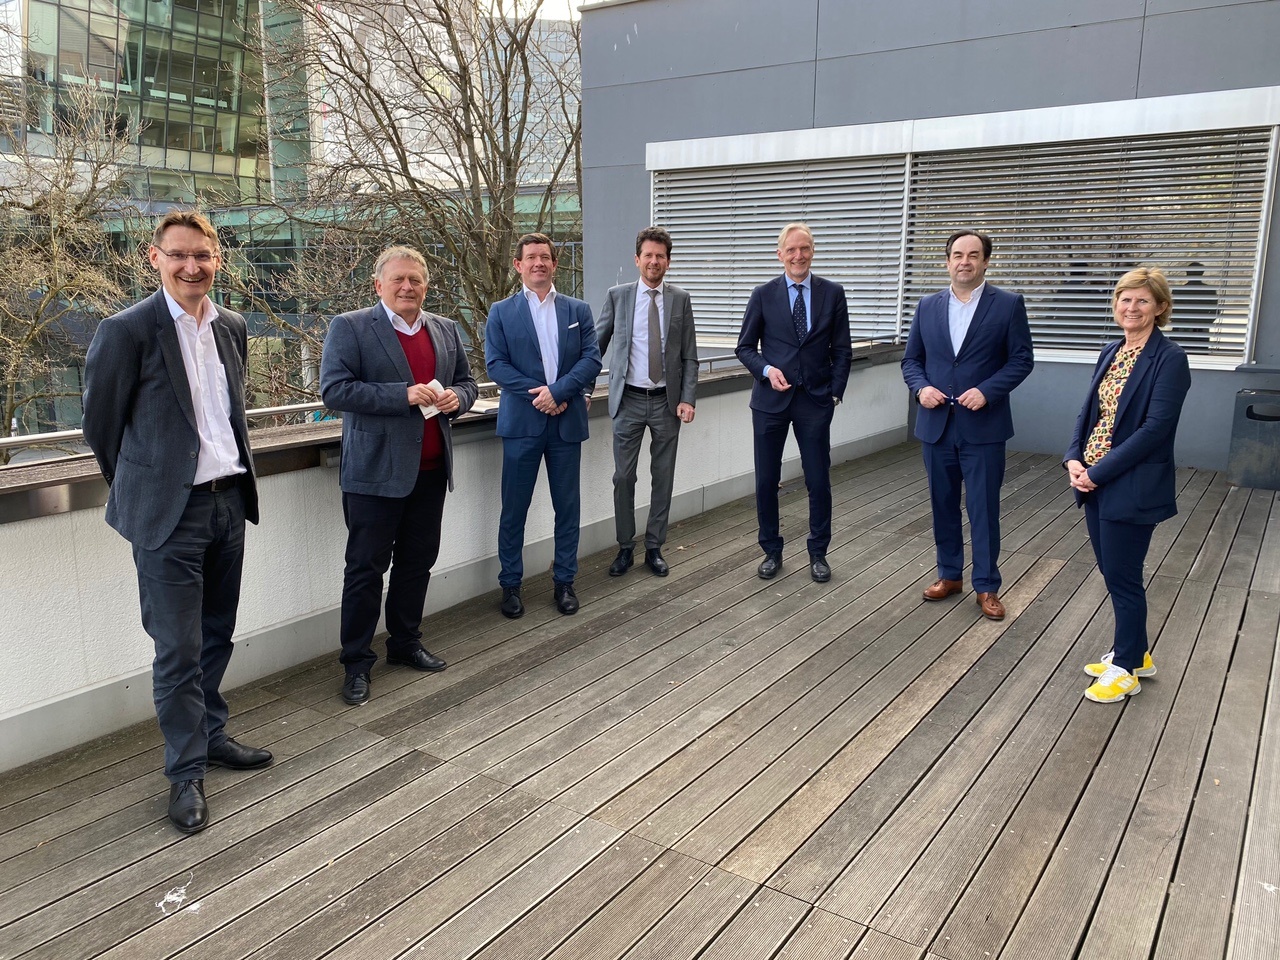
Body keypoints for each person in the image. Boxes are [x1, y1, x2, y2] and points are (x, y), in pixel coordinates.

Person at [82, 210, 270, 835]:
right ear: (154, 259)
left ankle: (211, 734)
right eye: (180, 255)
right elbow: (101, 428)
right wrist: (152, 489)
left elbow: (227, 415)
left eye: (204, 255)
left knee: (217, 633)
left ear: (218, 260)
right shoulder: (126, 330)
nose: (193, 266)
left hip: (227, 504)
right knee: (177, 649)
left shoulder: (232, 327)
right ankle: (185, 773)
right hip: (170, 517)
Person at [320, 246, 478, 706]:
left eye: (416, 280)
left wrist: (457, 399)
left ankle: (405, 643)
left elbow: (468, 382)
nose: (407, 287)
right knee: (366, 570)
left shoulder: (445, 330)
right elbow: (334, 390)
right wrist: (403, 395)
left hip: (430, 472)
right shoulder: (350, 327)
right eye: (398, 280)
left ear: (426, 285)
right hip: (374, 476)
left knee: (416, 564)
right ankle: (356, 663)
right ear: (379, 285)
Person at [1065, 267, 1191, 703]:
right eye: (1124, 299)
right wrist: (1072, 458)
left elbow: (1155, 429)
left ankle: (1125, 670)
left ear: (1160, 307)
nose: (1130, 307)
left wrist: (1096, 472)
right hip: (1094, 477)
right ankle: (1134, 653)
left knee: (1123, 577)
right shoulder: (1112, 350)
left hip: (1130, 483)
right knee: (1114, 572)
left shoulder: (1170, 359)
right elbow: (1090, 414)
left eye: (1141, 300)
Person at [901, 229, 1035, 621]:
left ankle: (987, 585)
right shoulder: (927, 306)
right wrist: (921, 389)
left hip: (984, 426)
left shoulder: (1008, 305)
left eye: (973, 255)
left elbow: (1021, 360)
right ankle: (949, 575)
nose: (965, 262)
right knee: (942, 505)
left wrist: (988, 391)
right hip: (936, 425)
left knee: (983, 508)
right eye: (957, 255)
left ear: (986, 261)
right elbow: (912, 361)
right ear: (947, 261)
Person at [485, 233, 602, 618]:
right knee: (513, 510)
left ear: (554, 264)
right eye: (531, 257)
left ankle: (564, 582)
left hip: (566, 422)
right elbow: (496, 366)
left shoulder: (578, 310)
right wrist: (542, 395)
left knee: (567, 507)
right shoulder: (500, 312)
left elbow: (591, 358)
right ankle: (511, 585)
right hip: (522, 423)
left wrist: (560, 391)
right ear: (518, 265)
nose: (539, 263)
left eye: (545, 257)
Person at [735, 223, 852, 584]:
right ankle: (771, 550)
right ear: (780, 254)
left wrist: (834, 393)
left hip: (815, 402)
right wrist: (767, 369)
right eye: (791, 250)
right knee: (767, 480)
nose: (798, 256)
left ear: (812, 251)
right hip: (770, 402)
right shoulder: (762, 294)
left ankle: (818, 552)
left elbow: (842, 350)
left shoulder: (832, 293)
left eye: (804, 249)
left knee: (818, 479)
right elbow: (743, 348)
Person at [596, 226, 698, 578]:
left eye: (660, 256)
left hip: (667, 404)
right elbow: (596, 345)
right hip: (628, 401)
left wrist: (687, 398)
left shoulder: (680, 299)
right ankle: (625, 546)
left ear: (668, 262)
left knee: (663, 476)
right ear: (637, 259)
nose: (654, 261)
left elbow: (690, 357)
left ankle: (654, 546)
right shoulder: (618, 296)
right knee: (623, 477)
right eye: (648, 255)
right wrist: (572, 385)